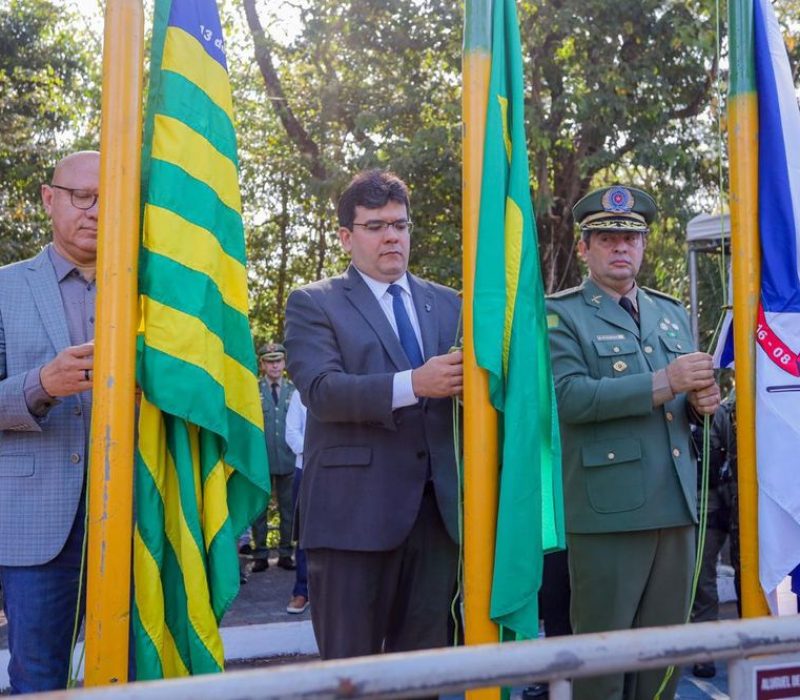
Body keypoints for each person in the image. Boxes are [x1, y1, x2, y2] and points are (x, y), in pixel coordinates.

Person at [546, 185, 721, 700]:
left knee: (663, 662)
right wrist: (666, 381)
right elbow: (566, 398)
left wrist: (699, 403)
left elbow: (684, 403)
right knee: (603, 664)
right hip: (609, 512)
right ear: (585, 248)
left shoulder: (670, 313)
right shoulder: (561, 315)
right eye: (606, 238)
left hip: (676, 505)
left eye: (630, 237)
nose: (620, 247)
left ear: (643, 246)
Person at [284, 169, 463, 660]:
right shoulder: (313, 303)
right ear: (346, 237)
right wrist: (414, 384)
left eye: (400, 225)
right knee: (352, 674)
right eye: (376, 225)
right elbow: (322, 390)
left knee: (423, 676)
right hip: (351, 522)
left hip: (436, 521)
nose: (391, 236)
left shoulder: (451, 304)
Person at [0, 150, 100, 693]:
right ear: (48, 198)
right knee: (39, 679)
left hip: (137, 516)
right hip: (36, 530)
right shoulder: (5, 287)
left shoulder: (154, 291)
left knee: (137, 677)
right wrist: (42, 385)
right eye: (82, 196)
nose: (96, 211)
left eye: (111, 198)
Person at [691, 390, 739, 679]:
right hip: (676, 510)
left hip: (709, 510)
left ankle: (704, 651)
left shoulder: (718, 414)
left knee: (703, 582)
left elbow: (732, 464)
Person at [249, 342, 296, 572]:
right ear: (262, 364)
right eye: (270, 361)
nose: (275, 365)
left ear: (285, 363)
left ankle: (286, 552)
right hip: (261, 460)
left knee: (289, 508)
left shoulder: (293, 390)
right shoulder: (253, 391)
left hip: (288, 459)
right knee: (259, 508)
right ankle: (260, 554)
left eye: (278, 360)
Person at [284, 389, 309, 614]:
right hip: (307, 469)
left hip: (340, 472)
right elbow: (291, 433)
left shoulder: (347, 381)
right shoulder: (299, 394)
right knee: (304, 534)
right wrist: (318, 451)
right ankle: (302, 590)